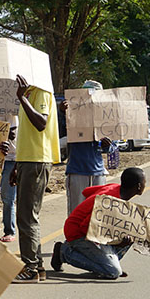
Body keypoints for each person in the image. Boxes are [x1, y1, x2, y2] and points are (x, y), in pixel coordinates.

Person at [51, 168, 145, 279]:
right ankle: (64, 253)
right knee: (113, 272)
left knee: (132, 233)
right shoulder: (110, 201)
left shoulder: (116, 189)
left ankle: (104, 264)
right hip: (77, 233)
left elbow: (87, 191)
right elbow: (85, 228)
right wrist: (113, 242)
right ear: (139, 186)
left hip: (88, 231)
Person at [10, 74, 60, 281]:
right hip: (27, 160)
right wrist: (17, 164)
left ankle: (30, 268)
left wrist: (22, 98)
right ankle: (37, 266)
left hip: (36, 160)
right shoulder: (32, 92)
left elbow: (41, 123)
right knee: (26, 215)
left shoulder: (41, 92)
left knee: (27, 216)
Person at [63, 80, 111, 215]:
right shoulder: (71, 114)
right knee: (76, 212)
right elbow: (60, 134)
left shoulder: (105, 118)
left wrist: (107, 144)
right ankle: (75, 237)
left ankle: (90, 237)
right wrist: (63, 114)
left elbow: (110, 148)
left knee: (96, 212)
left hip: (98, 172)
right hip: (77, 171)